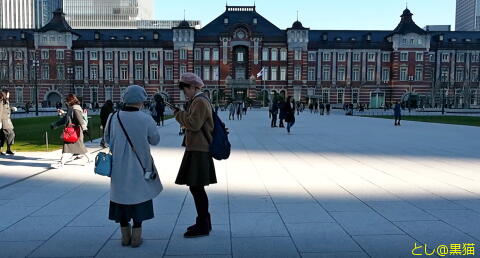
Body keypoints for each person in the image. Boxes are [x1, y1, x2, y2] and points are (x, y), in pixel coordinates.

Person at [104, 85, 162, 248]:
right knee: (139, 199)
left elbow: (107, 139)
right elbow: (155, 140)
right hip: (141, 165)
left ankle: (124, 236)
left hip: (118, 166)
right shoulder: (146, 118)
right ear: (141, 101)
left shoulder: (113, 117)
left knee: (121, 199)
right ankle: (136, 237)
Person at [173, 73, 217, 238]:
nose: (185, 93)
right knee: (196, 187)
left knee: (196, 187)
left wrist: (178, 113)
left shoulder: (199, 101)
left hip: (199, 149)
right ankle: (204, 222)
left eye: (185, 89)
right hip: (197, 148)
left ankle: (203, 224)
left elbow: (193, 123)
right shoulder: (198, 101)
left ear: (193, 87)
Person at [51, 94, 91, 168]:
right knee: (79, 147)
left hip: (74, 131)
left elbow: (80, 120)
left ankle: (61, 163)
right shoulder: (71, 108)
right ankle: (90, 159)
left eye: (67, 100)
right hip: (71, 131)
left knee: (68, 147)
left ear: (70, 100)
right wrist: (56, 124)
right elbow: (65, 119)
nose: (66, 102)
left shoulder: (75, 109)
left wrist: (84, 129)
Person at [0, 89, 16, 155]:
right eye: (8, 94)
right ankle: (6, 149)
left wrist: (12, 109)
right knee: (8, 135)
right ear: (5, 94)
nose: (9, 95)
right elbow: (0, 112)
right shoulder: (1, 102)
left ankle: (8, 149)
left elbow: (7, 109)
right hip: (4, 121)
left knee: (7, 135)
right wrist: (0, 122)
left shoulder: (6, 101)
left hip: (8, 121)